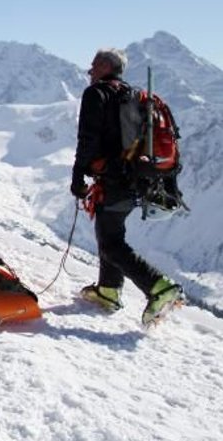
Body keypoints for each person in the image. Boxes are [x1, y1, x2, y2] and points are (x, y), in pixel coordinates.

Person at [71, 48, 183, 325]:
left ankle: (159, 287)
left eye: (94, 65)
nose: (90, 71)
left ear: (107, 67)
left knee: (111, 242)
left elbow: (87, 137)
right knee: (109, 230)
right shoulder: (133, 95)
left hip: (113, 176)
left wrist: (78, 175)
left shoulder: (97, 93)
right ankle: (108, 290)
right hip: (138, 177)